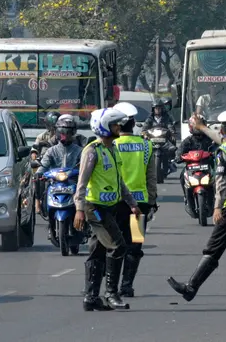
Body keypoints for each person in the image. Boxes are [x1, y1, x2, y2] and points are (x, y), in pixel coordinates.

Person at [167, 111, 226, 305]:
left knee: (212, 250)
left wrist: (217, 208)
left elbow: (222, 184)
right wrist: (202, 127)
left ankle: (191, 288)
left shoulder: (223, 152)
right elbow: (222, 139)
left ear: (223, 129)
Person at [74, 108, 141, 311]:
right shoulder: (92, 151)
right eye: (114, 125)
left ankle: (91, 297)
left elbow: (119, 181)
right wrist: (79, 209)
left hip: (110, 207)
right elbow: (82, 182)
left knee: (98, 251)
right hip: (94, 207)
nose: (118, 128)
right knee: (118, 246)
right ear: (103, 127)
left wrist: (132, 203)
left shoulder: (112, 149)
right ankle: (111, 293)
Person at [113, 102, 159, 297]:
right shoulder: (146, 145)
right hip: (140, 205)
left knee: (114, 244)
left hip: (114, 202)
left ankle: (111, 287)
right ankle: (127, 285)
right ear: (133, 123)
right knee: (135, 244)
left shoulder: (110, 145)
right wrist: (152, 202)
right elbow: (151, 178)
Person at [36, 116, 84, 241]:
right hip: (55, 184)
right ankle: (42, 208)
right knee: (42, 188)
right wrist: (40, 173)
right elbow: (44, 165)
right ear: (57, 133)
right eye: (62, 133)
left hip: (74, 183)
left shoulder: (80, 151)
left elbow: (85, 166)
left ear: (73, 133)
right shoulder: (51, 151)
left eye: (68, 133)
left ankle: (85, 224)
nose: (65, 136)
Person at [176, 114, 218, 217]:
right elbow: (179, 151)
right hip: (191, 170)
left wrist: (215, 153)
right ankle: (186, 197)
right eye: (195, 125)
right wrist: (178, 157)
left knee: (219, 178)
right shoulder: (188, 141)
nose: (197, 128)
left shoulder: (209, 139)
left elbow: (218, 145)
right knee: (182, 176)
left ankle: (217, 200)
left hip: (207, 168)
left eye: (199, 125)